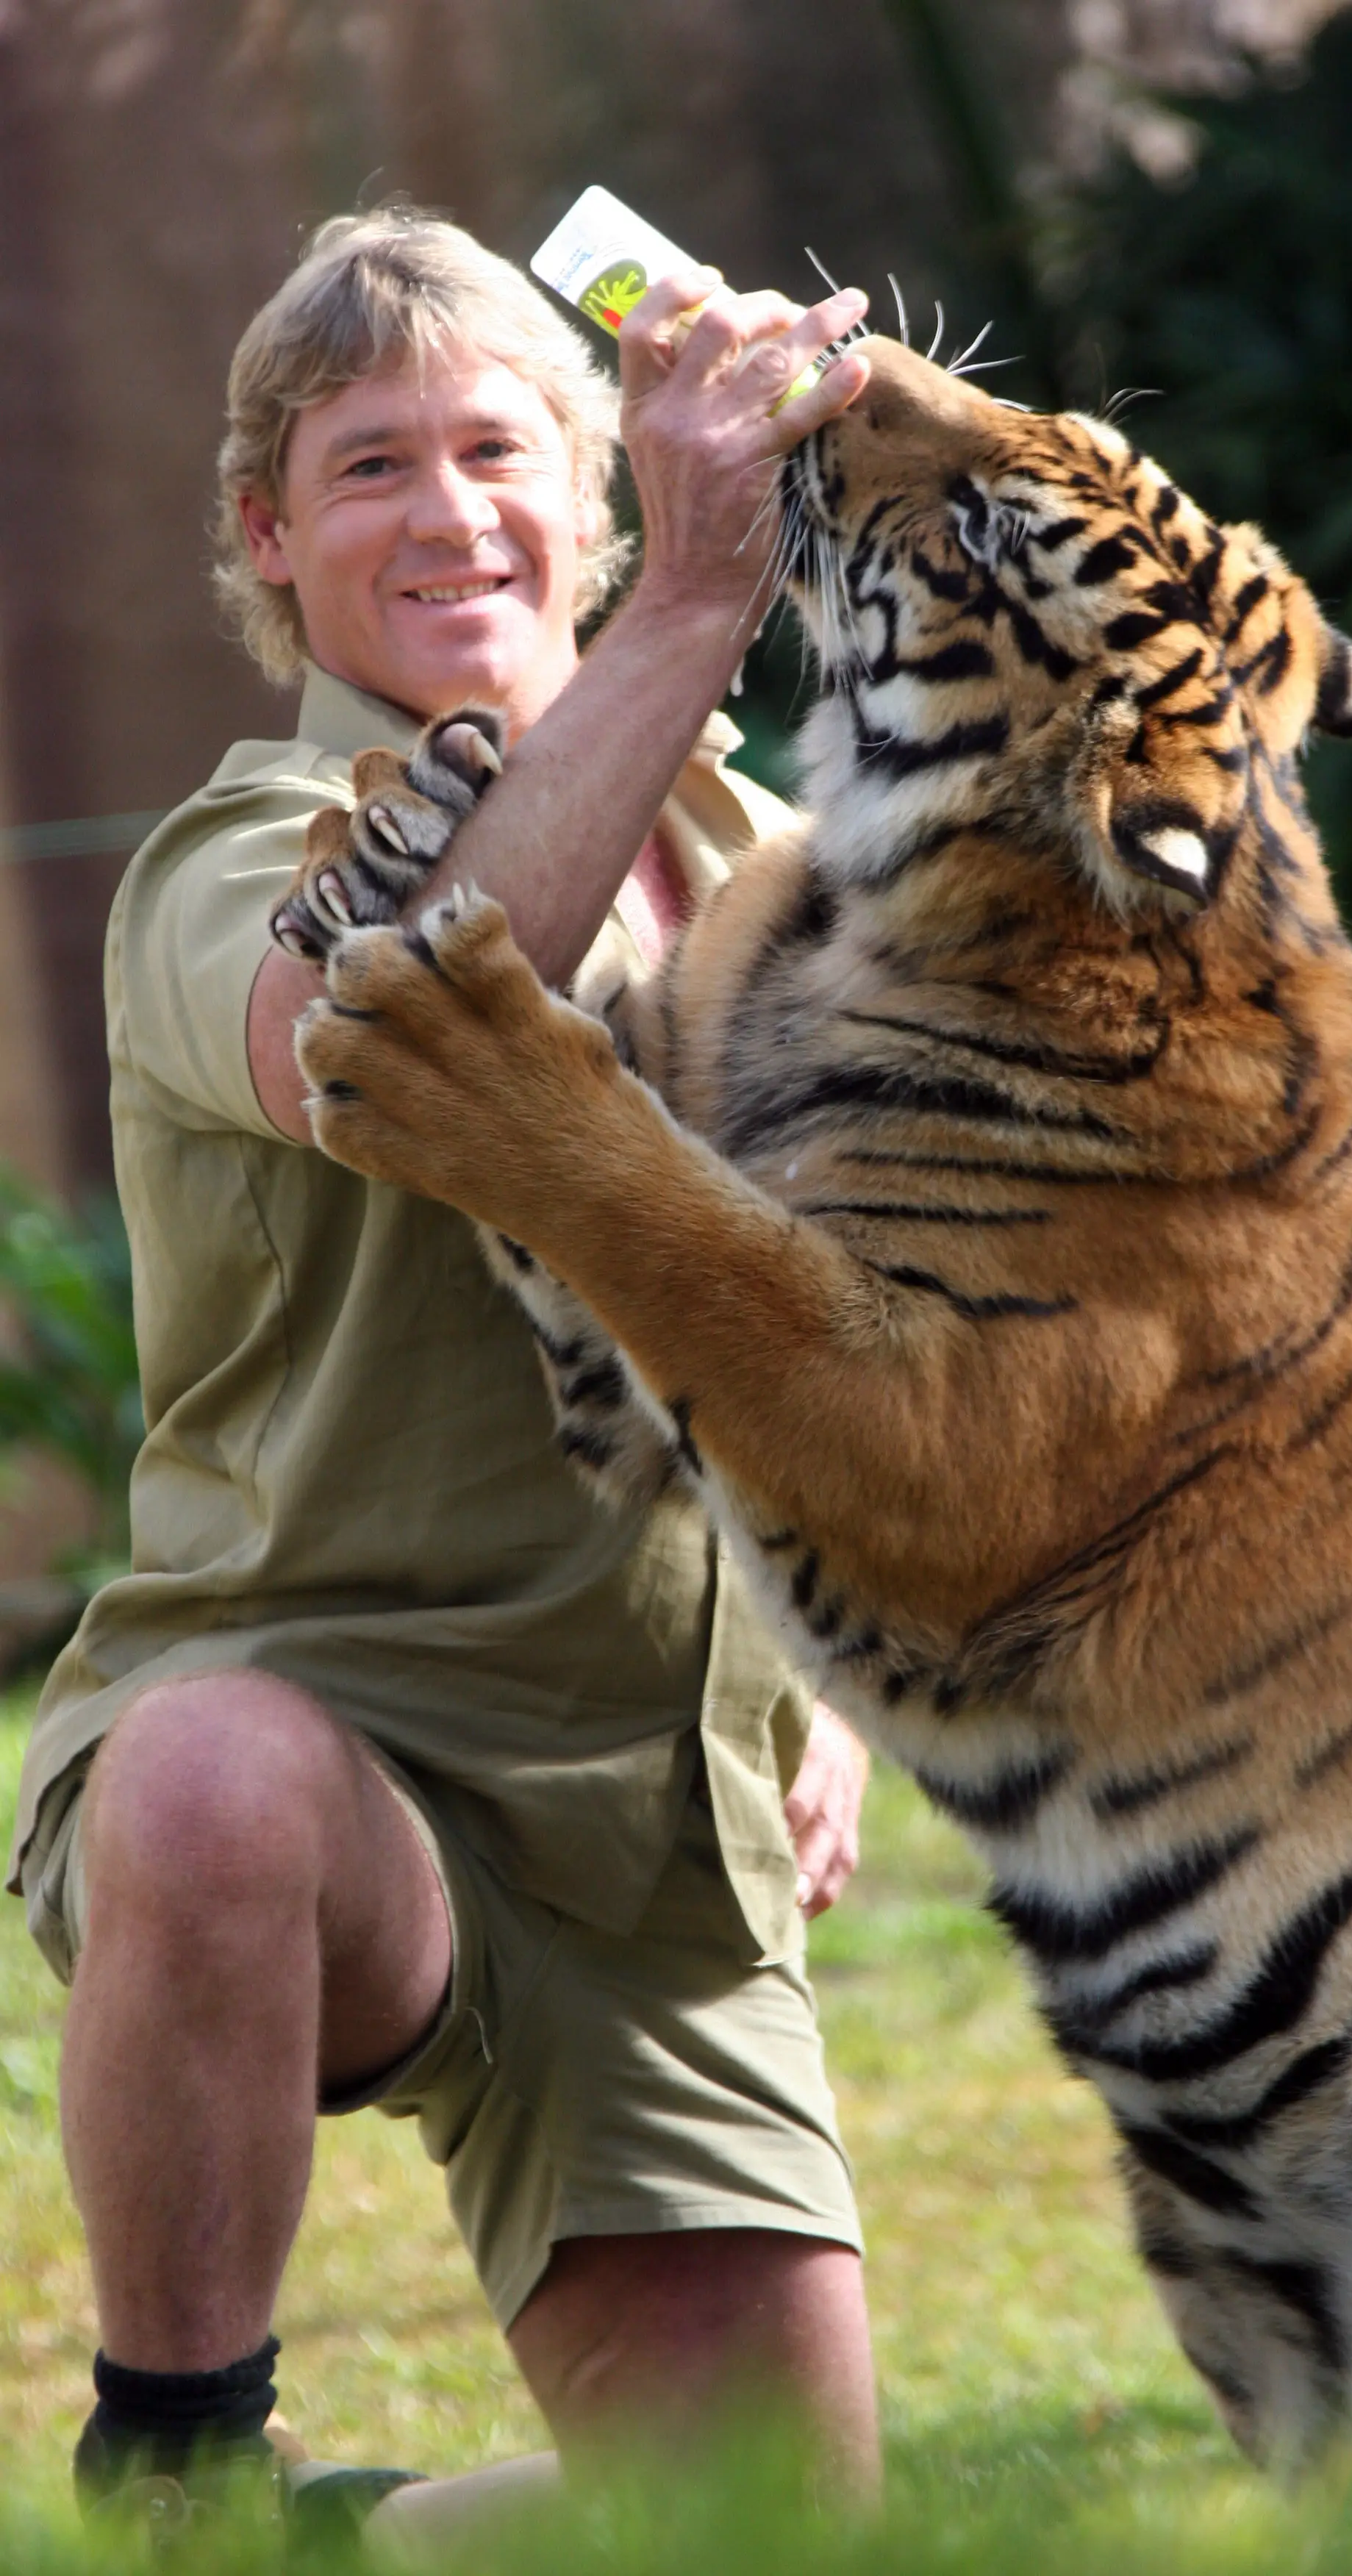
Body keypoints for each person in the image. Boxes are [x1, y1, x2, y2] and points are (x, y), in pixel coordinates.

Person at [6, 205, 881, 2539]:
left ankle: (327, 2545)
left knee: (767, 2544)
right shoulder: (240, 860)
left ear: (588, 486)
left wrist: (827, 1666)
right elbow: (390, 1046)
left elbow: (873, 1306)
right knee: (207, 1774)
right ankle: (179, 2469)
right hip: (327, 1744)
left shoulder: (784, 867)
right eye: (368, 464)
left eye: (497, 447)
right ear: (267, 541)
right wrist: (694, 609)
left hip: (655, 1844)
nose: (447, 509)